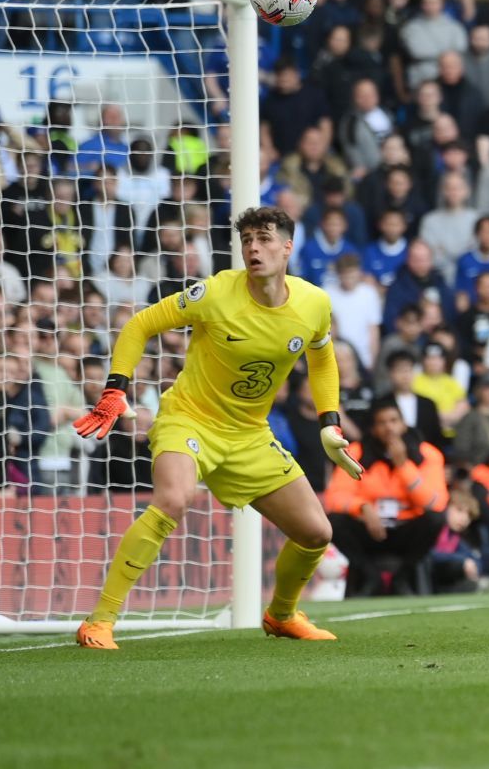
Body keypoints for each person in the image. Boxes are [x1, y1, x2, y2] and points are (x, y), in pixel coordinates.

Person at [70, 207, 356, 649]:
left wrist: (329, 421)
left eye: (263, 238)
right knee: (174, 498)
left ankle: (281, 615)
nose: (254, 248)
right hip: (190, 420)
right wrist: (116, 388)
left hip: (248, 434)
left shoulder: (314, 303)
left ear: (287, 247)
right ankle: (100, 620)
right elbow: (140, 324)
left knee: (317, 533)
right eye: (247, 241)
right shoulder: (216, 292)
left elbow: (321, 357)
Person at [321, 397, 450, 596]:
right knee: (335, 521)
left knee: (435, 519)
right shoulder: (355, 452)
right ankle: (370, 575)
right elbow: (334, 498)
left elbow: (435, 503)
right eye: (382, 423)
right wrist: (362, 507)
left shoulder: (427, 454)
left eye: (393, 421)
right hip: (370, 528)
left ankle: (402, 577)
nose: (389, 428)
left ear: (403, 424)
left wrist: (404, 466)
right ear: (373, 428)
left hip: (405, 528)